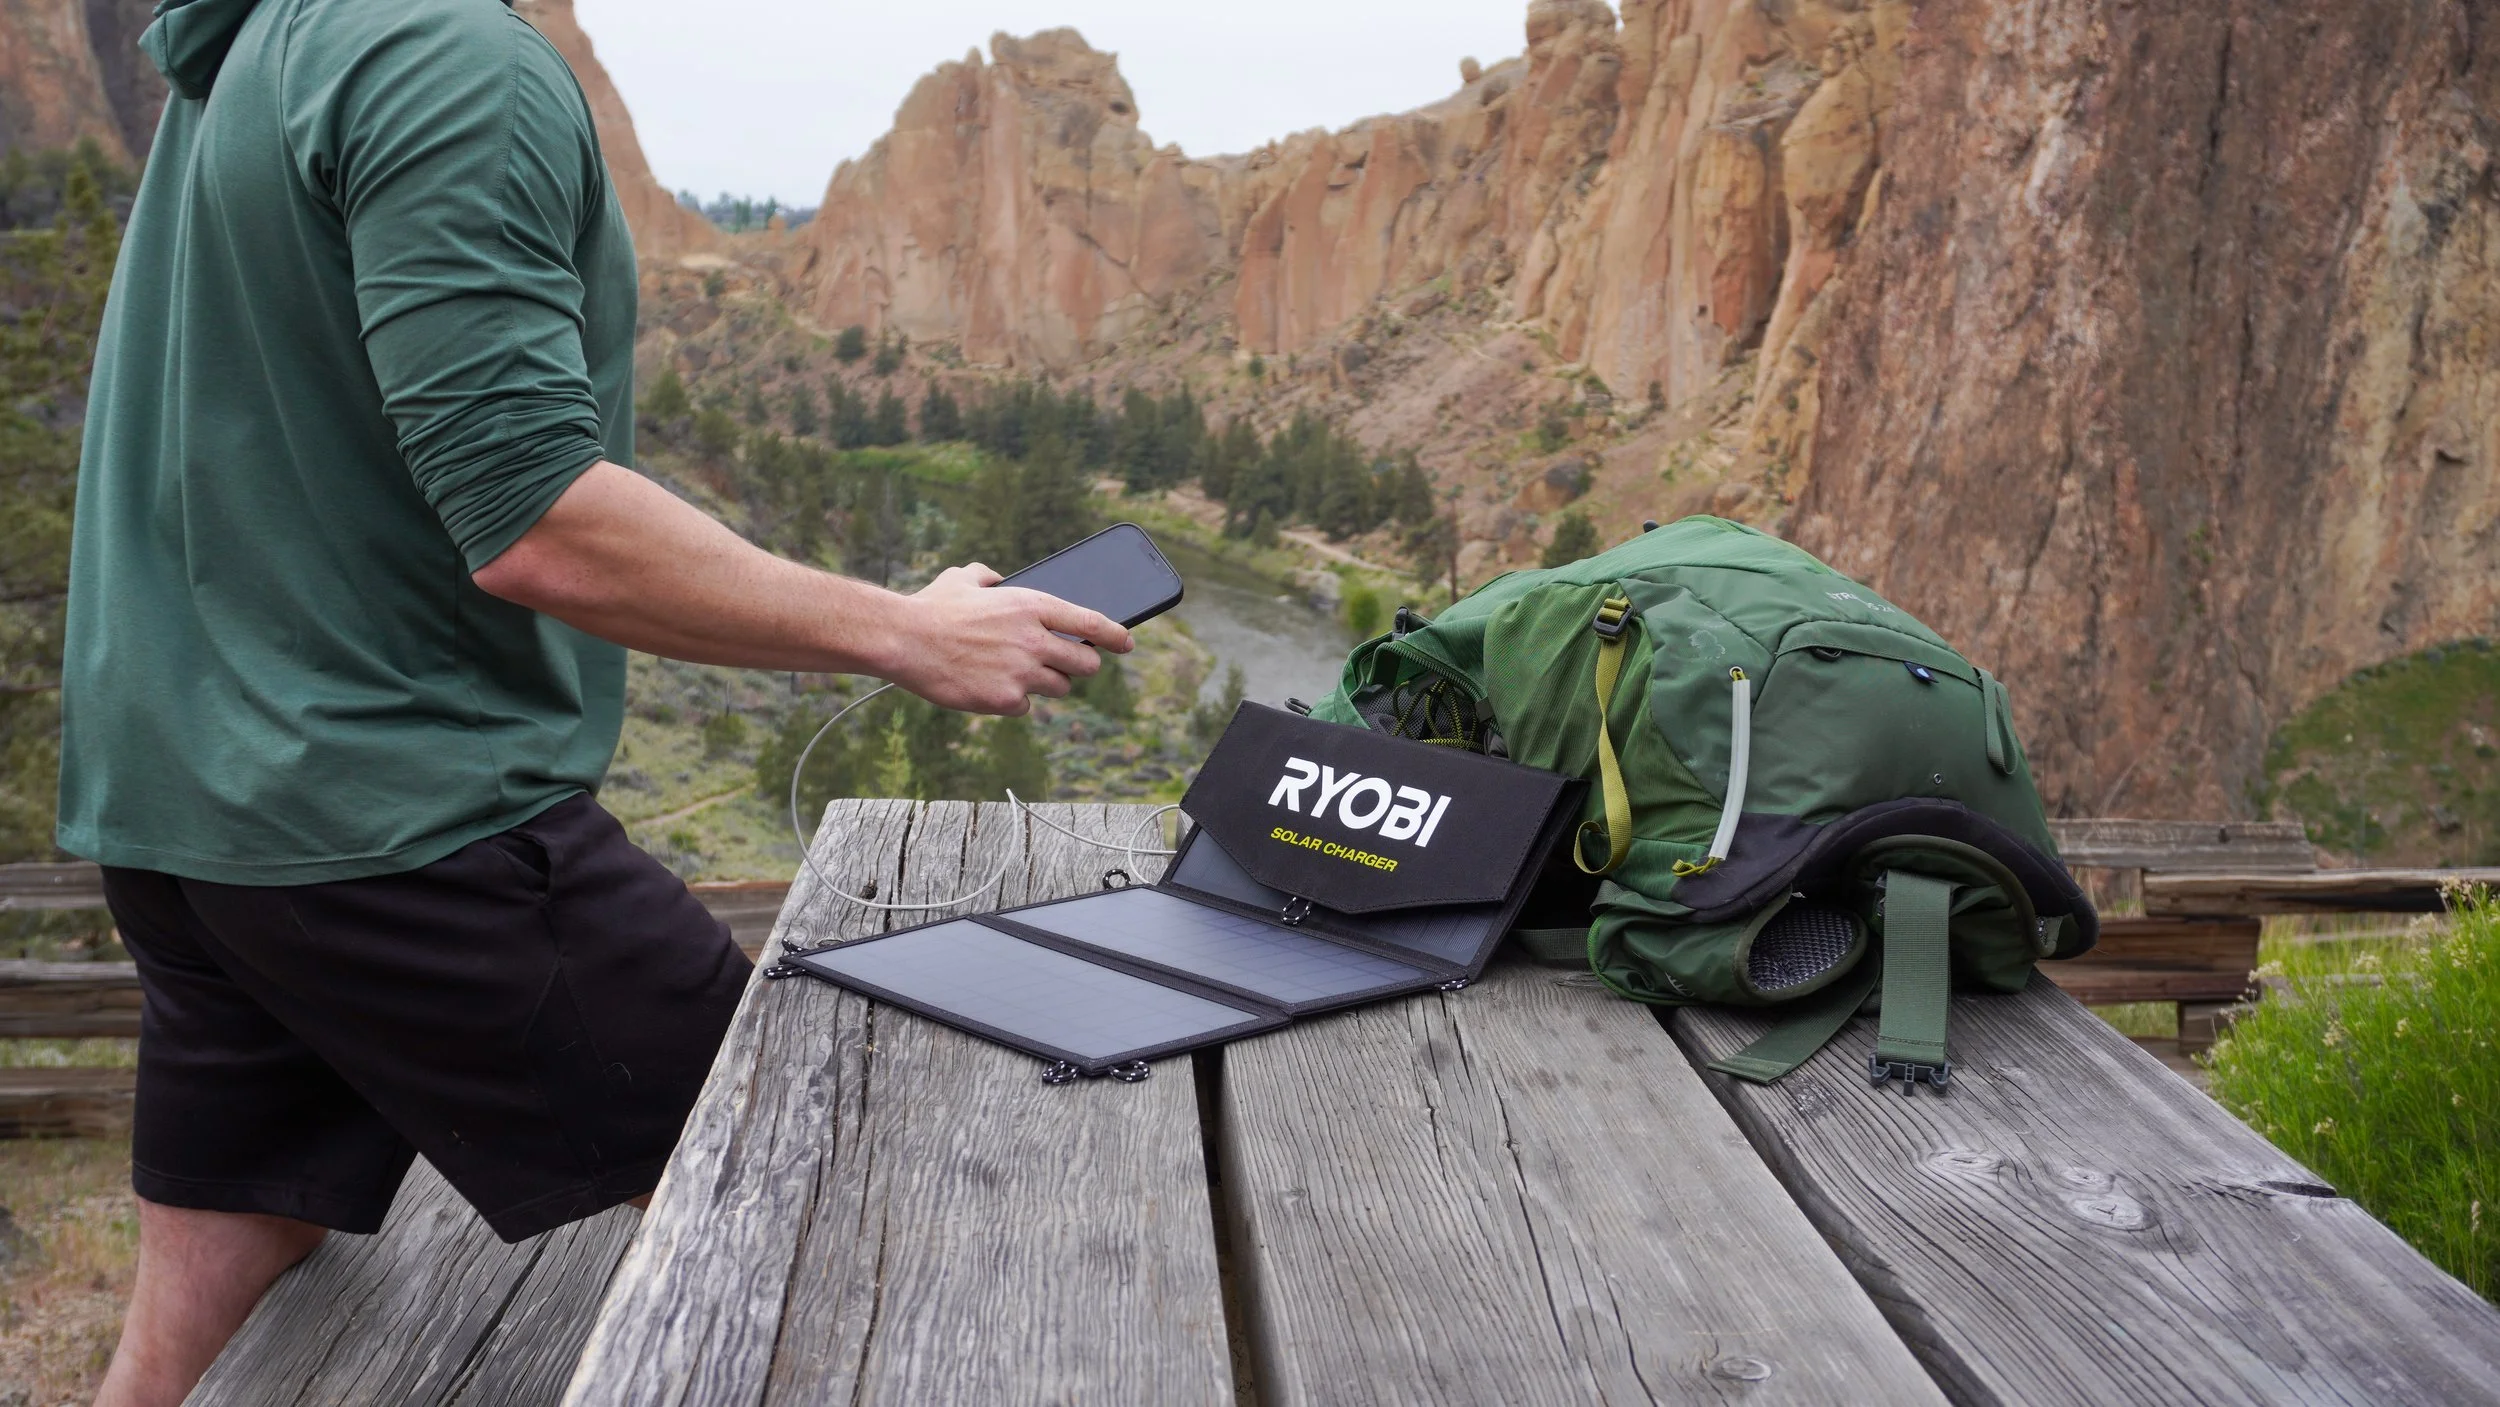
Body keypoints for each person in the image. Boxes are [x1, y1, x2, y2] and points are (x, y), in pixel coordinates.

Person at [55, 1, 1131, 1401]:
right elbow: (535, 520)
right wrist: (904, 634)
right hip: (399, 819)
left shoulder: (261, 46)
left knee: (208, 1285)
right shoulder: (443, 59)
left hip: (186, 812)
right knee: (830, 1205)